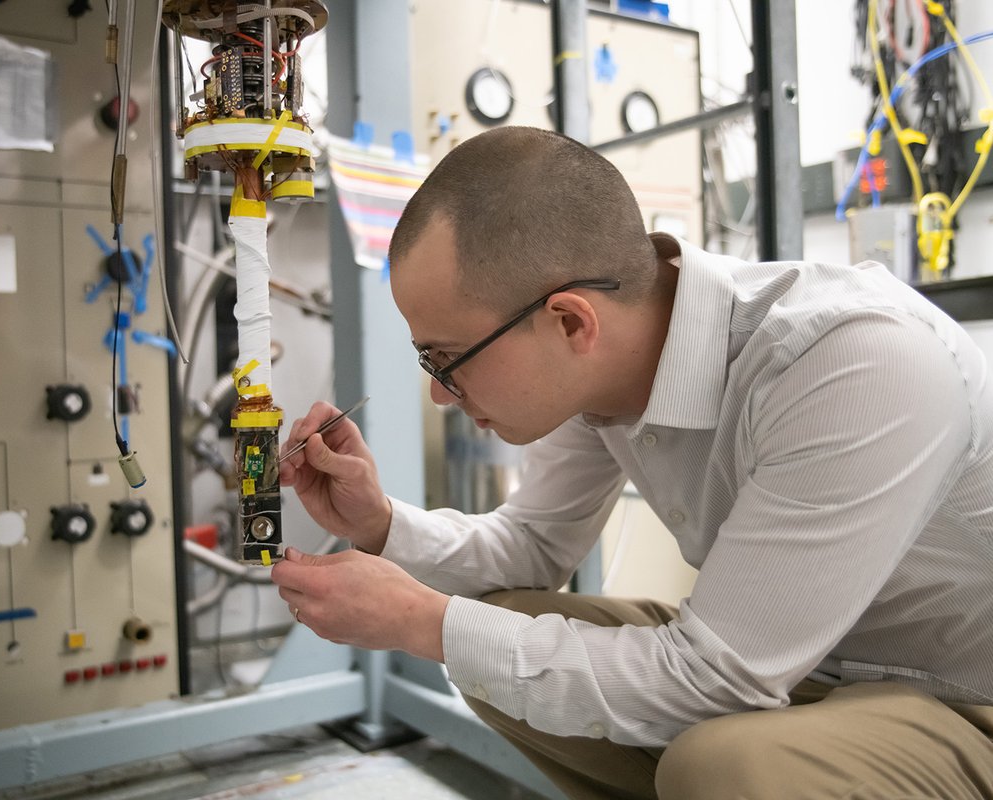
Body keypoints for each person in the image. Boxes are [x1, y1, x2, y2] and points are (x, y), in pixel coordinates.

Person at [270, 125, 993, 799]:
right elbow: (530, 550)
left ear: (569, 320)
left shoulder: (850, 362)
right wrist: (380, 524)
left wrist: (421, 623)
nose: (438, 394)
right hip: (804, 668)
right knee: (497, 626)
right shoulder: (604, 372)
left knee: (722, 766)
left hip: (959, 697)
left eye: (447, 359)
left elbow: (717, 680)